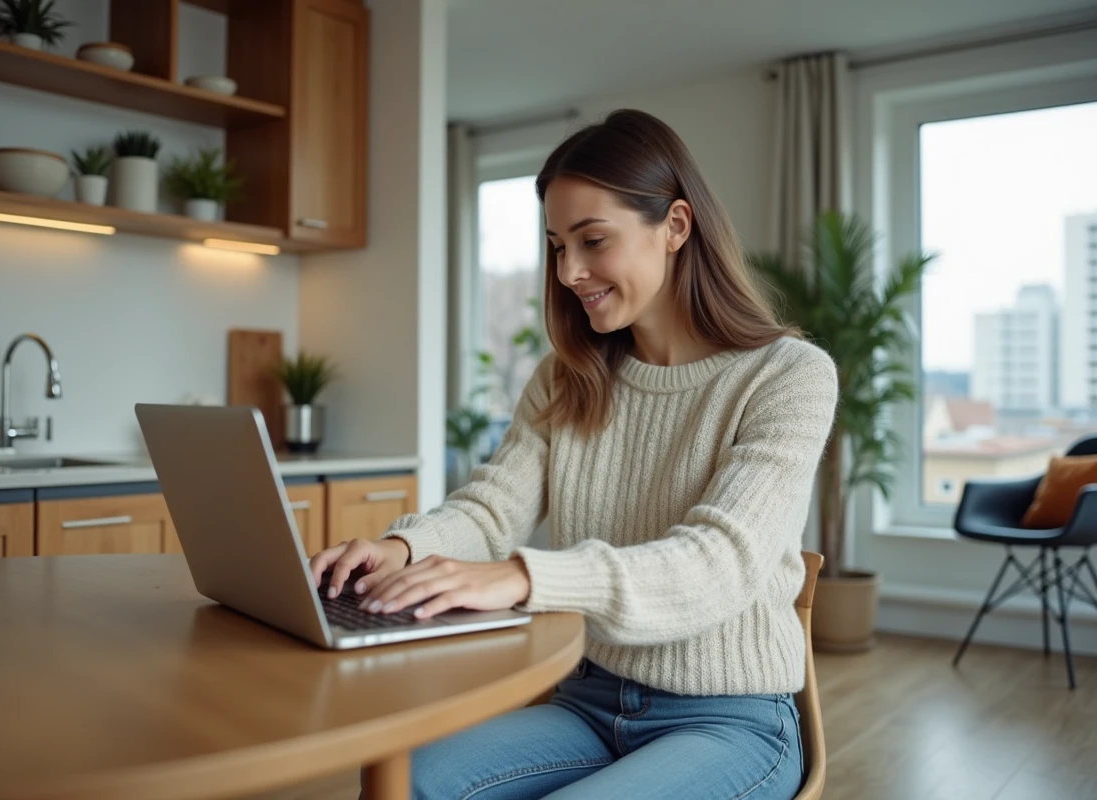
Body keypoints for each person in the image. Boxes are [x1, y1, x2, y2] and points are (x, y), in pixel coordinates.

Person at [310, 108, 839, 800]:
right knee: (403, 784)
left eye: (593, 241)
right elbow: (493, 508)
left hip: (731, 722)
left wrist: (525, 579)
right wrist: (401, 552)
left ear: (675, 227)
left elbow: (721, 563)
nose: (570, 272)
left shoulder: (786, 375)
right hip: (588, 702)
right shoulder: (567, 376)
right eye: (558, 245)